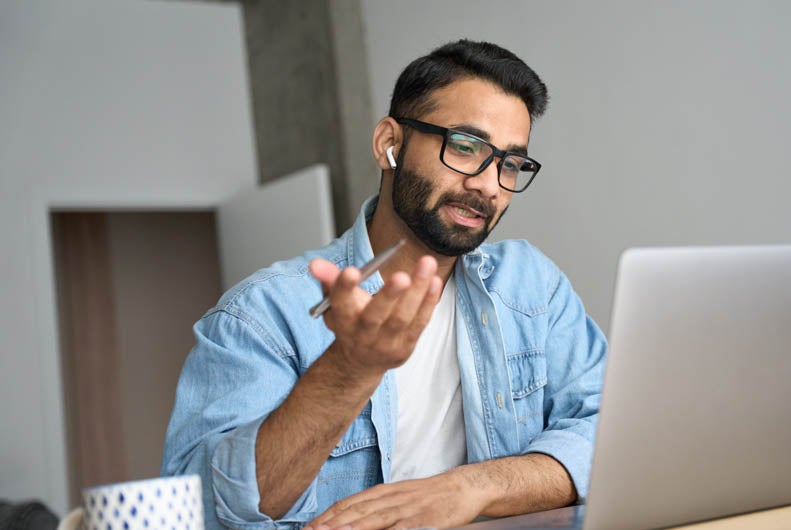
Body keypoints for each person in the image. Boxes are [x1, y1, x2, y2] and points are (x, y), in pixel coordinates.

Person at [162, 39, 606, 530]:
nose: (489, 185)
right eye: (464, 146)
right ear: (389, 144)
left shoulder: (532, 286)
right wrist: (351, 368)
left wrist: (471, 488)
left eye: (509, 164)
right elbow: (204, 514)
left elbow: (611, 431)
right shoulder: (262, 313)